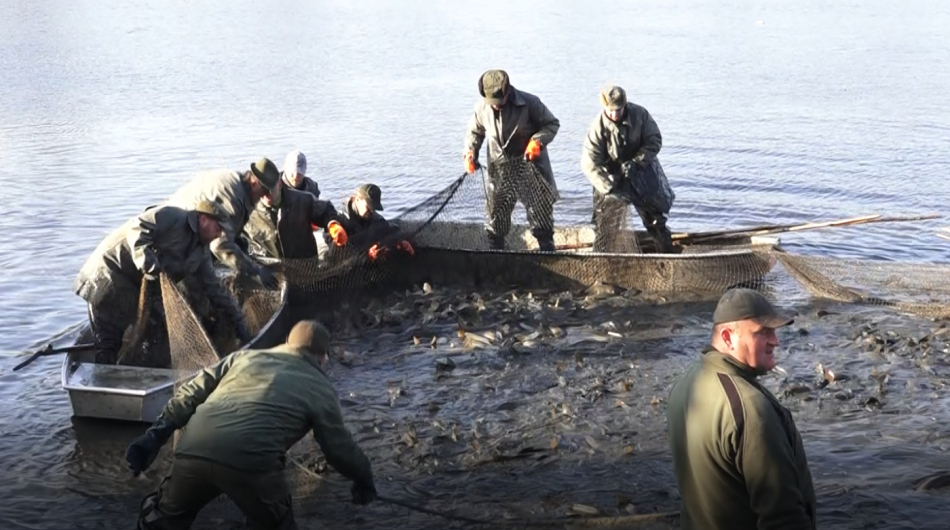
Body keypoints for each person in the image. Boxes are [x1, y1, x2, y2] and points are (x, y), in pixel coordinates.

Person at [128, 320, 377, 530]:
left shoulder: (243, 357)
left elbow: (191, 392)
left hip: (194, 448)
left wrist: (154, 437)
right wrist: (364, 479)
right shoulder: (322, 387)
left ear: (287, 344)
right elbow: (338, 448)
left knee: (160, 520)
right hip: (252, 464)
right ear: (323, 358)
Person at [666, 288, 817, 530]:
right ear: (727, 337)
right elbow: (783, 517)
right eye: (762, 332)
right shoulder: (749, 408)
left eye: (774, 331)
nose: (775, 341)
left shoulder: (684, 385)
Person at [74, 200, 250, 366]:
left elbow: (215, 291)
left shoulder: (201, 254)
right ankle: (107, 384)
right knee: (108, 340)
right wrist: (147, 262)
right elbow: (137, 227)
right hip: (108, 274)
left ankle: (143, 378)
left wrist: (240, 326)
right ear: (203, 219)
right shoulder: (172, 216)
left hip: (134, 288)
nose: (219, 234)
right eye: (218, 228)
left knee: (157, 335)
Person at [463, 69, 560, 251]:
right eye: (492, 102)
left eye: (500, 101)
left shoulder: (530, 103)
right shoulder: (481, 108)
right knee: (496, 219)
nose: (496, 106)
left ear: (508, 92)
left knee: (541, 218)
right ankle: (498, 253)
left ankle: (547, 250)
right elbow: (475, 132)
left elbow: (552, 124)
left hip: (530, 166)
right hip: (500, 169)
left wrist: (537, 141)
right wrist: (470, 152)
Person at [165, 158, 283, 289]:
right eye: (265, 191)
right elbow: (219, 245)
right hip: (175, 234)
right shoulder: (233, 199)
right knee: (196, 287)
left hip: (187, 225)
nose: (265, 196)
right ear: (255, 183)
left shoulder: (240, 183)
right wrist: (255, 270)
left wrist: (236, 240)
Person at [581, 85, 672, 253]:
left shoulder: (641, 115)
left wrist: (637, 162)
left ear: (625, 105)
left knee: (656, 221)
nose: (615, 114)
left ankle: (666, 254)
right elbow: (589, 164)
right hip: (611, 179)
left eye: (619, 109)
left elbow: (654, 140)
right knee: (606, 226)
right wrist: (609, 188)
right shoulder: (597, 128)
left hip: (641, 173)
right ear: (604, 107)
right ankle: (603, 261)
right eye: (611, 110)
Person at [242, 173, 349, 260]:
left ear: (279, 184)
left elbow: (325, 211)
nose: (265, 193)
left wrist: (333, 224)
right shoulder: (246, 210)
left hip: (305, 268)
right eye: (262, 188)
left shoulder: (303, 200)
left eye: (270, 188)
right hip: (269, 273)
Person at [336, 184, 413, 261]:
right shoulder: (339, 222)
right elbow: (336, 256)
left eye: (374, 208)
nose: (371, 211)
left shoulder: (374, 218)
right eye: (368, 207)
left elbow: (390, 229)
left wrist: (402, 241)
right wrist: (367, 256)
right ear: (358, 200)